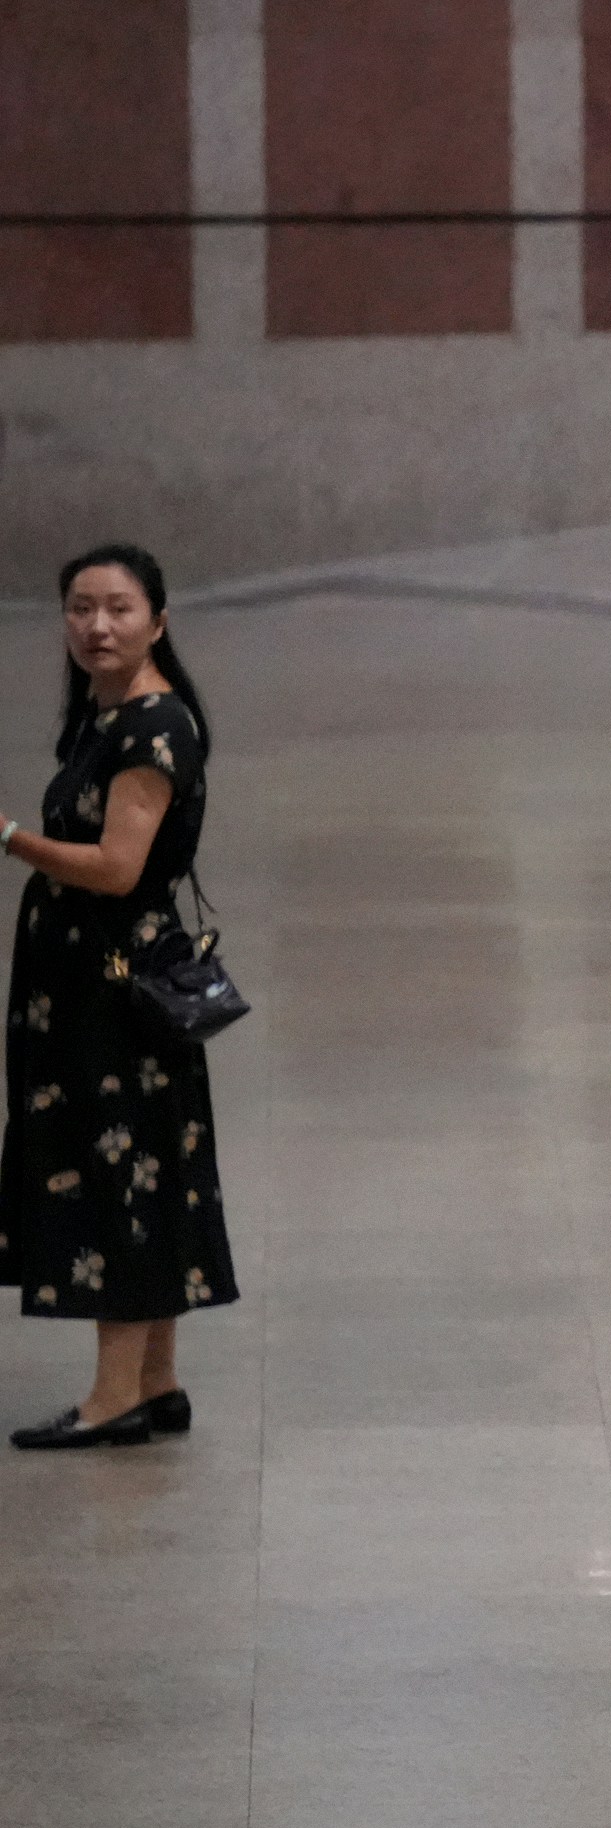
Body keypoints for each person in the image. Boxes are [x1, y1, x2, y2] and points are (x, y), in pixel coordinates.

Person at [4, 544, 236, 1449]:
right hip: (99, 984)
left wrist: (10, 838)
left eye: (119, 609)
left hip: (112, 995)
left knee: (117, 1174)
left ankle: (112, 1399)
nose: (97, 626)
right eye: (80, 608)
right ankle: (156, 1382)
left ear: (158, 622)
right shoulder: (111, 718)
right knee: (147, 1168)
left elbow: (116, 868)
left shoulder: (153, 729)